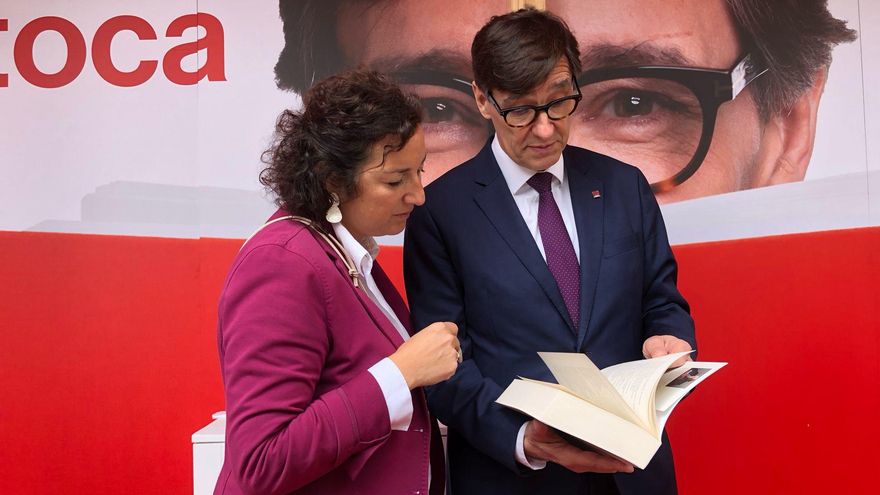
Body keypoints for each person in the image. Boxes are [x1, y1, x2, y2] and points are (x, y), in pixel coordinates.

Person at [403, 8, 696, 495]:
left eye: (559, 103)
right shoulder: (440, 213)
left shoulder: (624, 187)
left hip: (633, 472)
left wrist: (668, 337)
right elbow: (444, 366)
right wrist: (525, 440)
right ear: (481, 98)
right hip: (515, 477)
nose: (545, 130)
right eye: (520, 110)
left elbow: (661, 300)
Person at [273, 0, 855, 203]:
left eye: (632, 104)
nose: (544, 142)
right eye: (435, 110)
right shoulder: (442, 223)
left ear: (789, 124)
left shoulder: (622, 197)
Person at [214, 69, 460, 495]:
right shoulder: (283, 262)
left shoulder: (346, 254)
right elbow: (261, 461)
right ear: (332, 180)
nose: (418, 194)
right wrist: (399, 375)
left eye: (419, 171)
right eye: (394, 179)